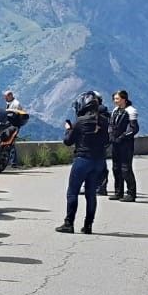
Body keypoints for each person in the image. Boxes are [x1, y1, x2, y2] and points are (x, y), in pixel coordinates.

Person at [57, 91, 111, 234]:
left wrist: (68, 130)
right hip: (98, 161)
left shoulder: (80, 121)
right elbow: (107, 141)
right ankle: (88, 225)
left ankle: (69, 223)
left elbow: (68, 141)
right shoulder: (104, 121)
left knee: (72, 192)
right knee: (91, 193)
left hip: (82, 159)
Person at [109, 90, 139, 201]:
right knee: (116, 168)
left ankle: (131, 193)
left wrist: (123, 137)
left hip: (126, 145)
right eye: (114, 99)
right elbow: (111, 125)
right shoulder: (115, 111)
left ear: (124, 99)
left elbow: (134, 128)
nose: (115, 101)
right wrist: (111, 135)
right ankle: (118, 192)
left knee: (126, 169)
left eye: (117, 99)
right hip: (115, 144)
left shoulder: (131, 111)